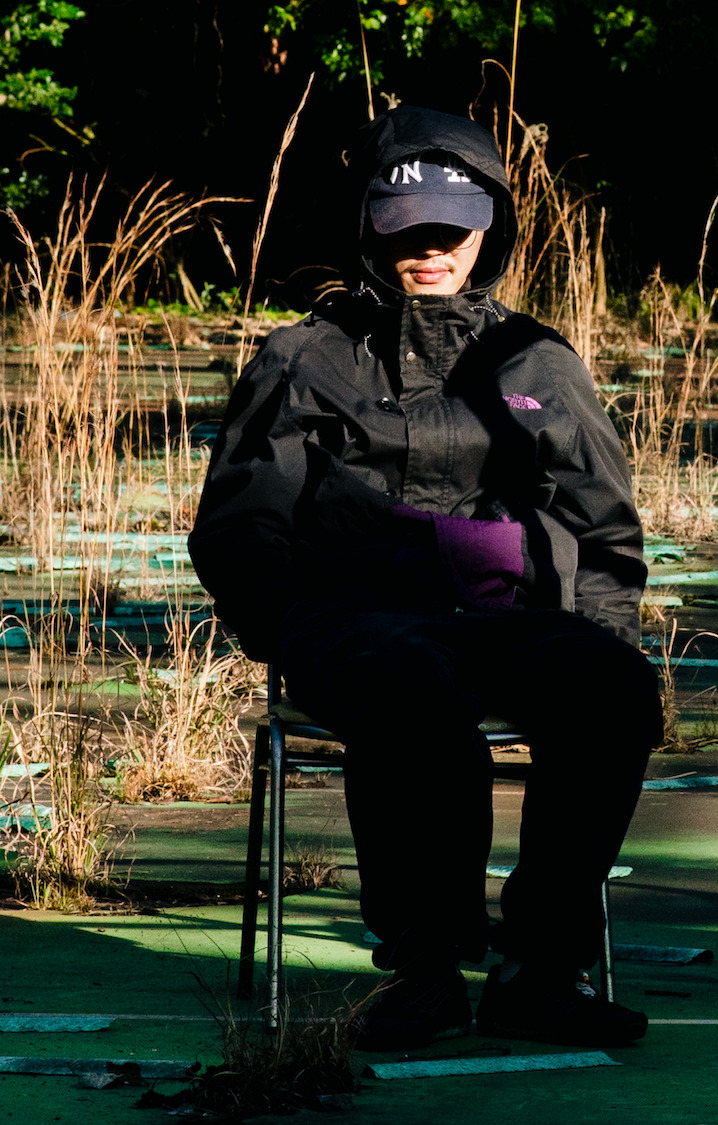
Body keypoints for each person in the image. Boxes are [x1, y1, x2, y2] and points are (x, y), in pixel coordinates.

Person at [189, 104, 663, 1051]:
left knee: (615, 688)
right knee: (410, 686)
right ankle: (428, 967)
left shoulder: (537, 362)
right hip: (359, 620)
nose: (431, 249)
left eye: (452, 228)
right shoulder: (305, 358)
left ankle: (539, 969)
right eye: (408, 230)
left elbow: (604, 528)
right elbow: (240, 528)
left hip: (508, 620)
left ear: (490, 230)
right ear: (369, 229)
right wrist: (292, 634)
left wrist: (601, 630)